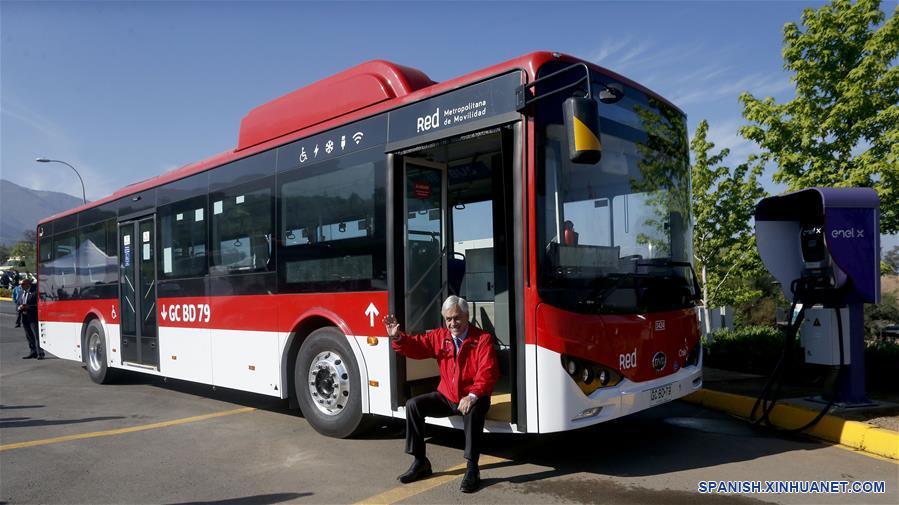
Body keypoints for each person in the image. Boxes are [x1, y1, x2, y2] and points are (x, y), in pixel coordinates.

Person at [383, 295, 499, 493]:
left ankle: (472, 468)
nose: (452, 323)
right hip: (448, 396)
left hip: (474, 397)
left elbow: (488, 372)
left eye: (457, 318)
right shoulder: (440, 336)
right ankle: (420, 462)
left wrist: (472, 395)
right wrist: (398, 337)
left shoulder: (482, 339)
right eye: (448, 319)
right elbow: (416, 346)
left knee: (473, 411)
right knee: (413, 405)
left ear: (467, 316)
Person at [17, 278, 44, 360]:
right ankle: (33, 352)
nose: (20, 286)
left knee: (36, 336)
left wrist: (29, 307)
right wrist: (19, 307)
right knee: (29, 336)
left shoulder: (35, 292)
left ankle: (40, 353)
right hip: (24, 317)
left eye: (22, 284)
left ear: (28, 284)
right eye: (20, 284)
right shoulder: (21, 292)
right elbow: (18, 302)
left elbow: (40, 305)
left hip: (33, 317)